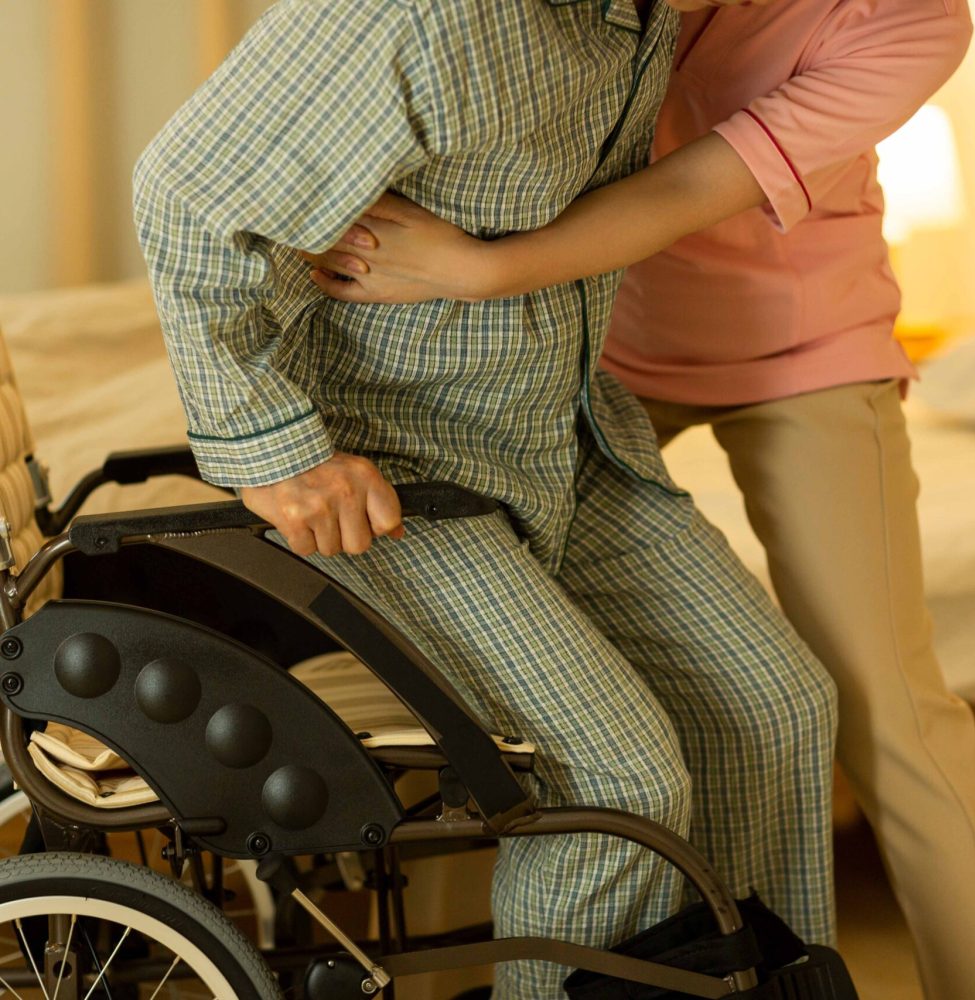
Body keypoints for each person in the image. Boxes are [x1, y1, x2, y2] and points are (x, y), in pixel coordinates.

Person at [133, 2, 838, 997]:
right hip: (396, 466)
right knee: (618, 785)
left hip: (561, 432)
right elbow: (184, 195)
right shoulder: (428, 11)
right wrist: (277, 454)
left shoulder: (638, 16)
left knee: (776, 709)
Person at [302, 1, 975, 997]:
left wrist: (477, 268)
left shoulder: (912, 25)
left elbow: (688, 184)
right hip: (594, 342)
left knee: (885, 705)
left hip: (801, 347)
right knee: (500, 692)